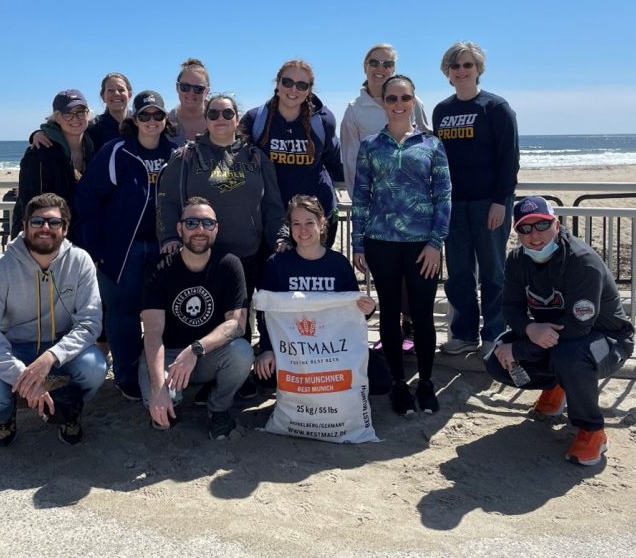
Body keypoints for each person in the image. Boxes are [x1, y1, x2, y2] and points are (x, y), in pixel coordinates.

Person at [487, 196, 635, 466]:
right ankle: (557, 387)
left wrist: (521, 347)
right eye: (525, 228)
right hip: (552, 334)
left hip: (608, 340)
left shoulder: (582, 262)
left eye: (542, 225)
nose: (535, 236)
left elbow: (579, 326)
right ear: (517, 232)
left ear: (556, 223)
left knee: (570, 357)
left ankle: (592, 431)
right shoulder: (517, 260)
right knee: (496, 359)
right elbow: (510, 306)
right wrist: (529, 328)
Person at [0, 193, 108, 447]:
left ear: (65, 229)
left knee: (94, 369)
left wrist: (51, 357)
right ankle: (5, 417)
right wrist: (27, 378)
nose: (45, 228)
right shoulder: (1, 269)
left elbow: (90, 323)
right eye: (37, 221)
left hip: (59, 348)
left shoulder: (80, 261)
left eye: (54, 222)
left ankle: (69, 409)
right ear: (24, 226)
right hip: (15, 349)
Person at [352, 74, 452, 416]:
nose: (398, 104)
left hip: (422, 246)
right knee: (390, 315)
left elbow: (444, 197)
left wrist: (436, 243)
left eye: (404, 98)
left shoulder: (432, 145)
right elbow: (361, 197)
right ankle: (397, 384)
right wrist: (358, 244)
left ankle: (425, 382)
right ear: (384, 102)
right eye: (391, 98)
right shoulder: (369, 146)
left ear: (413, 101)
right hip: (381, 243)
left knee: (422, 316)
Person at [75, 90, 178, 402]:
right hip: (122, 250)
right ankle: (126, 375)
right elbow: (87, 198)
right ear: (135, 119)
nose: (151, 121)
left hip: (165, 249)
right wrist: (96, 248)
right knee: (123, 316)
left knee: (165, 315)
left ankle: (163, 375)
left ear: (165, 120)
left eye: (157, 115)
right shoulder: (116, 151)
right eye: (144, 115)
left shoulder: (177, 153)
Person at [253, 195, 392, 396]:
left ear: (322, 223)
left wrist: (369, 310)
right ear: (289, 227)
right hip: (292, 350)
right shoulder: (277, 263)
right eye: (296, 223)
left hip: (332, 348)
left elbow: (355, 312)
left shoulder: (339, 264)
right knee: (264, 377)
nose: (303, 230)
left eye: (310, 222)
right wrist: (267, 349)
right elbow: (265, 313)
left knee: (381, 381)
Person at [140, 197, 254, 439]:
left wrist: (195, 350)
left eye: (207, 223)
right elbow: (152, 332)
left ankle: (218, 407)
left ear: (216, 228)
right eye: (191, 223)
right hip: (168, 354)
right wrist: (158, 388)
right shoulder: (159, 267)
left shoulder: (229, 264)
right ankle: (173, 398)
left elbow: (237, 325)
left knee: (242, 352)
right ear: (179, 228)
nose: (200, 230)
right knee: (161, 412)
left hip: (207, 353)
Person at [434, 41, 519, 356]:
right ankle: (464, 332)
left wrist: (501, 200)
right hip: (454, 205)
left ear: (478, 69)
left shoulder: (496, 108)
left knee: (494, 271)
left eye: (467, 65)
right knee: (459, 273)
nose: (461, 71)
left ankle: (495, 333)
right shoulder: (442, 111)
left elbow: (509, 158)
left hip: (490, 204)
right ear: (448, 72)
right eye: (455, 66)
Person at [157, 93, 287, 296]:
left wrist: (280, 237)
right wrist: (169, 237)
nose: (221, 118)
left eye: (227, 113)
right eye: (213, 113)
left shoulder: (256, 157)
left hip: (248, 255)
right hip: (199, 254)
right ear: (206, 119)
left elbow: (273, 206)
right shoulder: (186, 156)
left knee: (239, 321)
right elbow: (167, 201)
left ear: (237, 118)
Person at [240, 60, 343, 248]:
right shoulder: (256, 119)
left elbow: (334, 161)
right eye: (287, 82)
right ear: (277, 83)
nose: (293, 89)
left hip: (315, 216)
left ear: (309, 90)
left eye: (302, 85)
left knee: (313, 274)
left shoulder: (323, 121)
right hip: (272, 217)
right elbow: (237, 157)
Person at [340, 43, 431, 197]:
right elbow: (351, 164)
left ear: (393, 69)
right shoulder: (354, 110)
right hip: (375, 202)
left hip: (413, 200)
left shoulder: (414, 102)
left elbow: (427, 150)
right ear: (365, 67)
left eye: (387, 64)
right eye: (374, 63)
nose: (380, 69)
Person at [12, 89, 96, 241]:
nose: (75, 118)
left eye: (80, 111)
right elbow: (29, 205)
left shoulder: (93, 148)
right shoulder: (39, 154)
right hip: (45, 241)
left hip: (81, 240)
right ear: (57, 117)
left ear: (88, 114)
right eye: (67, 113)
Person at [30, 73, 134, 157]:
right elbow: (62, 127)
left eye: (121, 90)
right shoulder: (94, 125)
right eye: (110, 90)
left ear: (129, 94)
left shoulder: (142, 123)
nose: (116, 93)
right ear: (103, 96)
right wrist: (38, 133)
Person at [168, 58, 211, 144]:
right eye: (185, 87)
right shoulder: (166, 122)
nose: (191, 93)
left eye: (198, 89)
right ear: (177, 87)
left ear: (207, 91)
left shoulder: (221, 119)